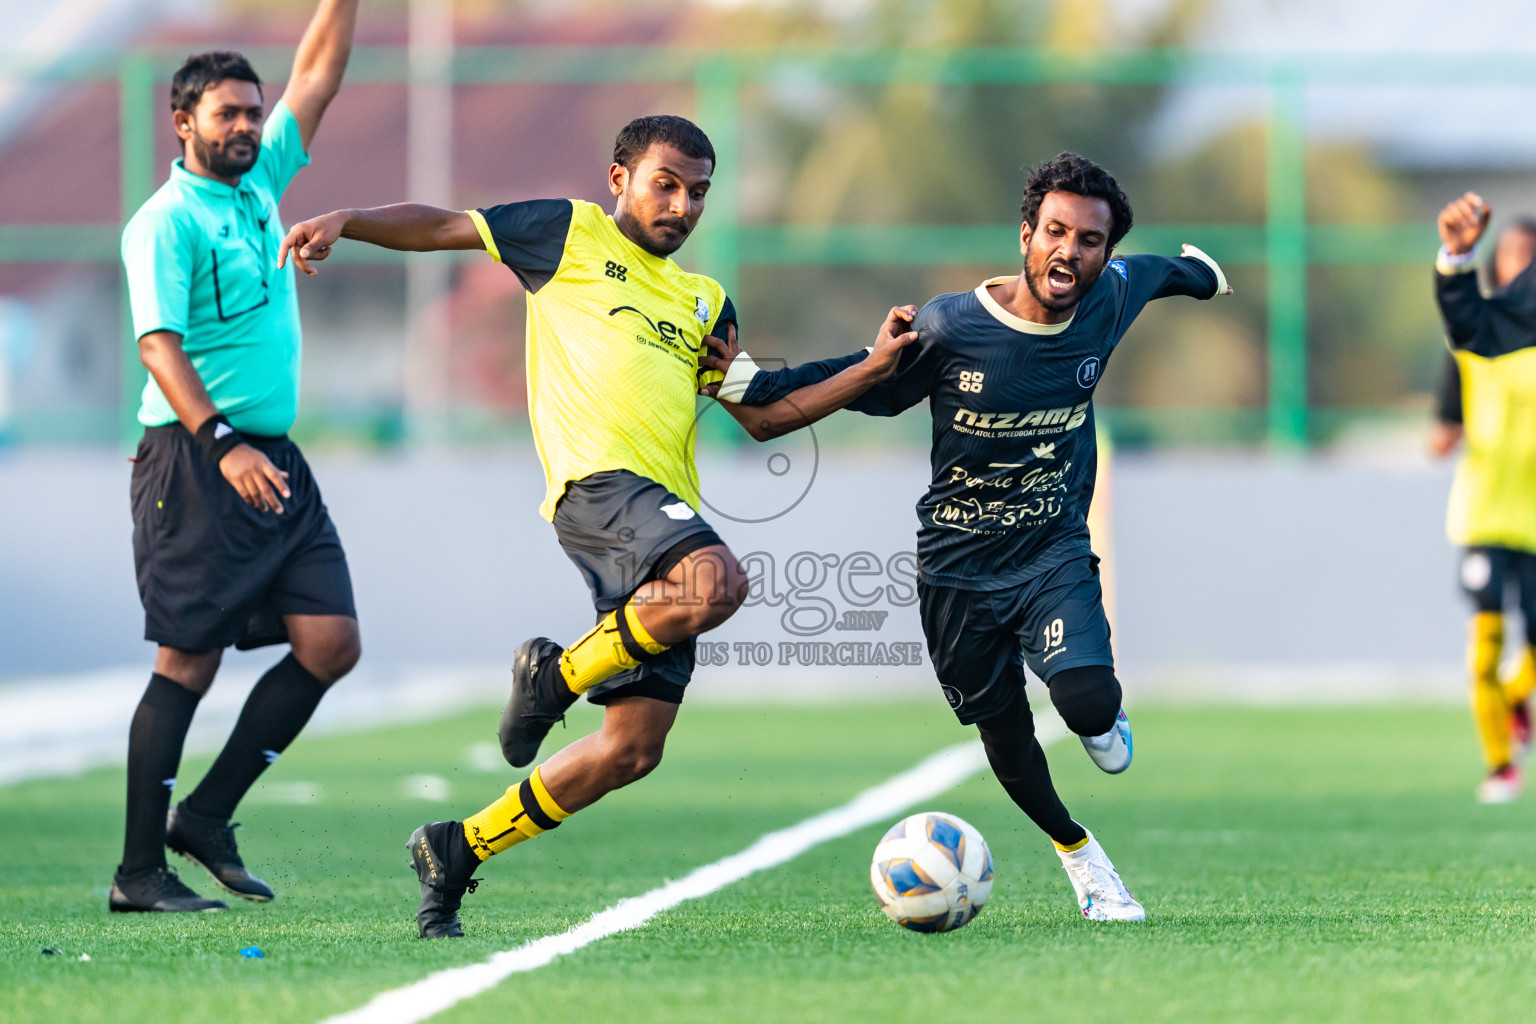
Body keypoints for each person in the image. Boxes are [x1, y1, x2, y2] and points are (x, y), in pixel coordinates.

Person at [278, 114, 918, 937]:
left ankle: (457, 847)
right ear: (619, 179)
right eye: (666, 184)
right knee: (717, 582)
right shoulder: (567, 233)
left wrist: (870, 365)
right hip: (598, 488)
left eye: (698, 193)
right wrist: (349, 221)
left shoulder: (706, 301)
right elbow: (446, 226)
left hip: (659, 516)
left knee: (631, 750)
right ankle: (552, 679)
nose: (682, 205)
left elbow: (760, 409)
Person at [708, 152, 1230, 922]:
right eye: (1055, 231)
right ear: (1026, 234)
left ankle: (1098, 712)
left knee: (1087, 702)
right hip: (955, 569)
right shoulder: (953, 325)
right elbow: (861, 376)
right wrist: (749, 381)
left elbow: (1159, 273)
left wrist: (1202, 275)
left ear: (1104, 254)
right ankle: (1081, 856)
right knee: (1008, 736)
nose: (1070, 251)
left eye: (1089, 240)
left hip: (1050, 549)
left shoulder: (1113, 295)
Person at [112, 0, 361, 914]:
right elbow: (157, 345)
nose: (250, 126)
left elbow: (321, 73)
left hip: (275, 460)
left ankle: (207, 817)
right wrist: (218, 444)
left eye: (254, 113)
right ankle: (138, 873)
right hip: (194, 457)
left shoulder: (261, 188)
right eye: (229, 114)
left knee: (331, 643)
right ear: (183, 123)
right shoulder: (164, 221)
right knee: (188, 661)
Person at [1430, 193, 1536, 803]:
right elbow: (1442, 431)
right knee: (1486, 644)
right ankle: (1500, 767)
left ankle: (1517, 700)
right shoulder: (1474, 345)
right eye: (1512, 255)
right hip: (1487, 514)